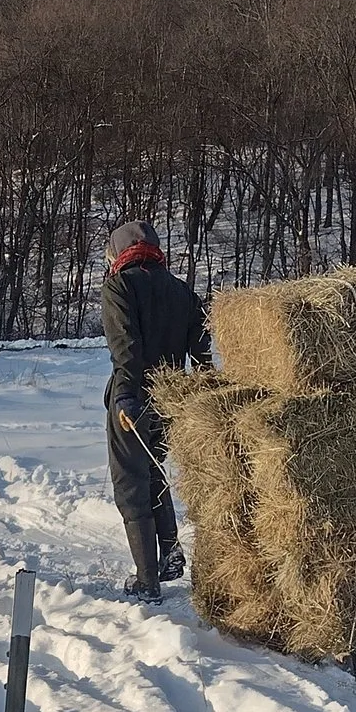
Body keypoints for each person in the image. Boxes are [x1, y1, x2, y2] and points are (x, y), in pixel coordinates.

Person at [102, 219, 210, 602]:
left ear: (119, 252)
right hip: (172, 399)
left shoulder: (120, 285)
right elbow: (202, 353)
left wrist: (127, 397)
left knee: (131, 480)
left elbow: (125, 347)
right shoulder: (182, 291)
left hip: (134, 399)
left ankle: (147, 580)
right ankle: (170, 552)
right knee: (154, 471)